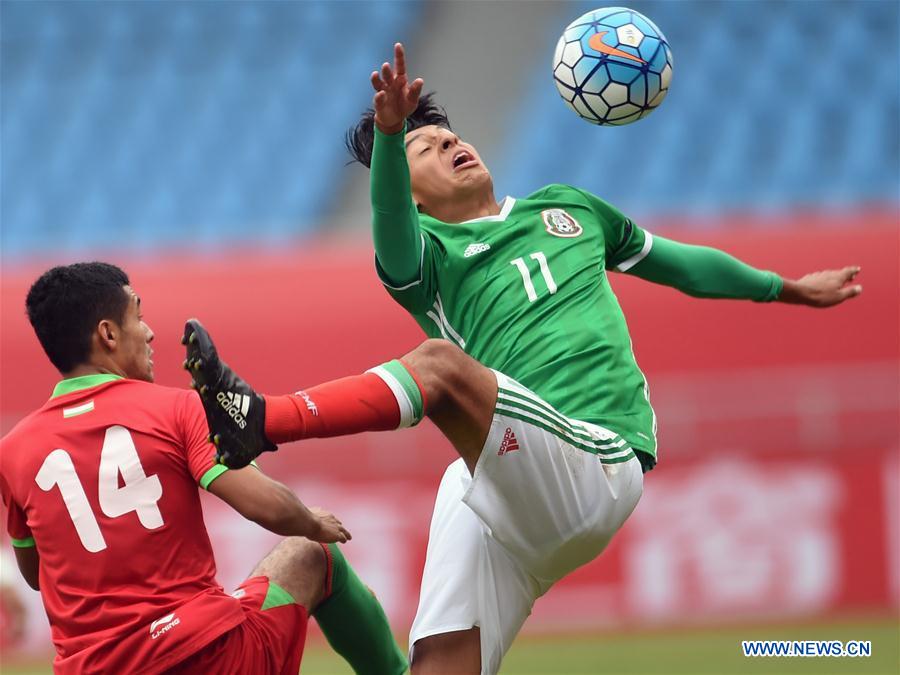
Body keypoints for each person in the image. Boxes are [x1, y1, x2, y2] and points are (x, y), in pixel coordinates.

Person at [186, 44, 863, 675]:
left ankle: (263, 419)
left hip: (599, 459)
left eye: (449, 134)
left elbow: (678, 263)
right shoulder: (429, 262)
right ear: (415, 196)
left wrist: (783, 287)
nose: (450, 141)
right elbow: (389, 215)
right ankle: (262, 421)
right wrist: (388, 138)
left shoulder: (569, 208)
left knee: (443, 369)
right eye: (425, 146)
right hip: (507, 483)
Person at [0, 262, 406, 675]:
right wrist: (311, 522)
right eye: (138, 316)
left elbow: (36, 575)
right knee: (312, 555)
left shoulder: (14, 451)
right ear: (108, 334)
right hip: (202, 657)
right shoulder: (172, 408)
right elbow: (265, 506)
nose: (149, 332)